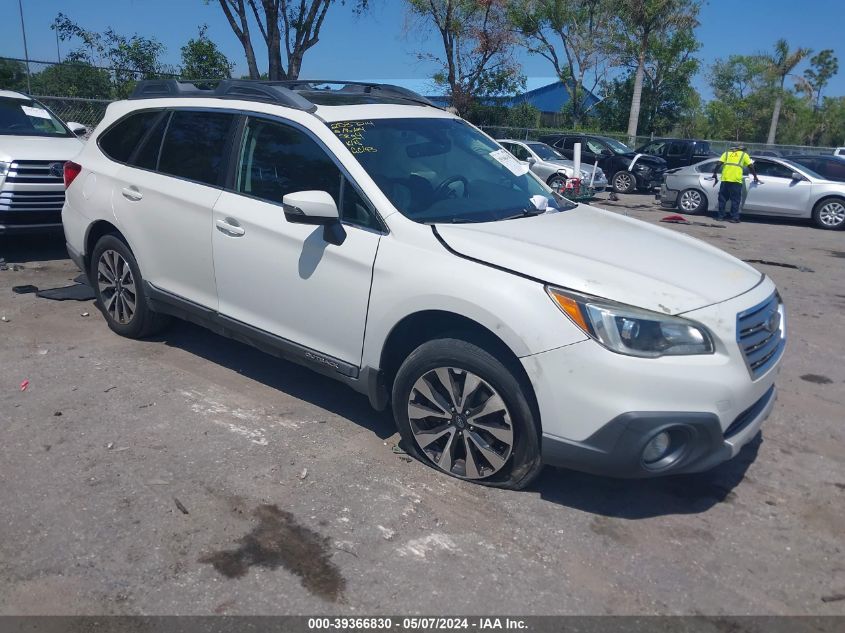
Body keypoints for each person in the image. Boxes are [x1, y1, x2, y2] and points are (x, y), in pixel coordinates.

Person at [712, 145, 760, 223]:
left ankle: (720, 216)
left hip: (725, 179)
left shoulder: (726, 153)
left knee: (722, 199)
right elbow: (750, 166)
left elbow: (719, 164)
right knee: (735, 200)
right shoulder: (744, 155)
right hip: (736, 180)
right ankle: (734, 217)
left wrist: (714, 173)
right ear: (743, 150)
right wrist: (755, 176)